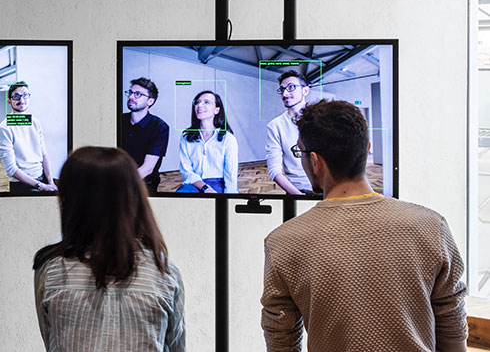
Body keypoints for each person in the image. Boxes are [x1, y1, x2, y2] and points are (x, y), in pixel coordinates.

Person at [261, 100, 467, 352]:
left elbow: (281, 340)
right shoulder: (431, 226)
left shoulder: (283, 242)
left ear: (314, 161)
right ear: (367, 149)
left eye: (300, 152)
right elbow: (451, 321)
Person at [33, 146, 185, 351]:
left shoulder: (50, 270)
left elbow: (51, 341)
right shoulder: (165, 273)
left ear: (70, 201)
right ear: (134, 197)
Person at [0, 81, 57, 193]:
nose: (21, 100)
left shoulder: (35, 122)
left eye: (25, 95)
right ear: (9, 101)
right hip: (20, 184)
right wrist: (40, 186)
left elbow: (43, 154)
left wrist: (50, 181)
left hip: (41, 178)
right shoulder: (3, 128)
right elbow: (11, 169)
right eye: (16, 97)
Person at [178, 90, 238, 193]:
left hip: (219, 184)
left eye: (206, 102)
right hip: (194, 184)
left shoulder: (228, 138)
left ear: (217, 110)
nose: (200, 105)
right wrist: (205, 188)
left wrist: (229, 198)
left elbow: (230, 174)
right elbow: (186, 171)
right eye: (197, 102)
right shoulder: (186, 137)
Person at [265, 70, 313, 195]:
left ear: (305, 90)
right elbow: (275, 170)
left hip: (327, 189)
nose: (285, 94)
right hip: (297, 190)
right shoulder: (275, 126)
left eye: (291, 87)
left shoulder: (321, 118)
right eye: (282, 89)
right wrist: (298, 196)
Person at [121, 77, 169, 193]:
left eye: (137, 94)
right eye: (130, 92)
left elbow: (147, 168)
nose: (131, 97)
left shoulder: (160, 127)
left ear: (150, 101)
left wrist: (120, 183)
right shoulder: (119, 120)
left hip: (143, 182)